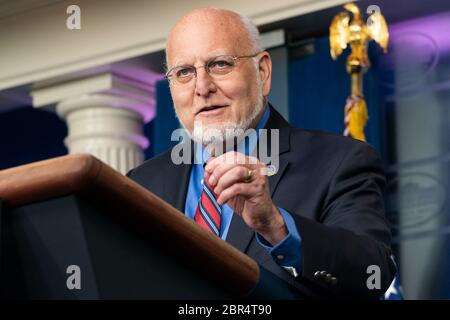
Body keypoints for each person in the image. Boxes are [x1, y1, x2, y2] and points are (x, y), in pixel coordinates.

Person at [127, 7, 396, 299]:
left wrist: (276, 226)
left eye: (219, 64)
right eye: (184, 72)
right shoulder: (141, 183)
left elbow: (374, 275)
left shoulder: (341, 162)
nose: (202, 87)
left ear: (263, 72)